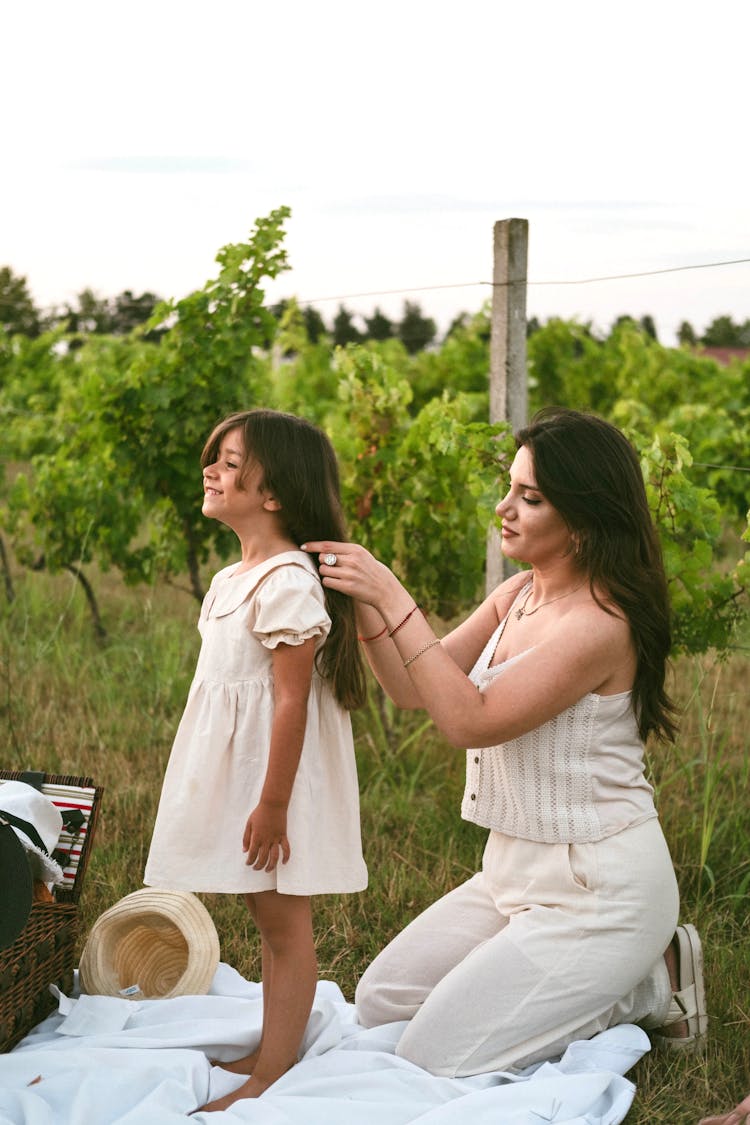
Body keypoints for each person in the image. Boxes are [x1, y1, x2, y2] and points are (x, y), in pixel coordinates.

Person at [303, 406, 707, 1077]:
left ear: (584, 517)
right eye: (511, 488)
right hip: (511, 873)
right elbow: (412, 689)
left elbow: (470, 718)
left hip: (600, 888)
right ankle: (606, 980)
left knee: (435, 1056)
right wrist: (364, 601)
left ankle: (650, 980)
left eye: (531, 496)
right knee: (381, 1000)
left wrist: (391, 590)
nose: (505, 507)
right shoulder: (518, 593)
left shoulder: (602, 624)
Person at [144, 408, 368, 1111]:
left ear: (273, 493)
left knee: (282, 923)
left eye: (230, 461)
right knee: (265, 913)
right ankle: (276, 1043)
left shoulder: (287, 582)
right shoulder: (229, 579)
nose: (211, 469)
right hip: (245, 772)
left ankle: (274, 1069)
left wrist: (272, 804)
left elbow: (290, 701)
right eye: (214, 457)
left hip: (275, 778)